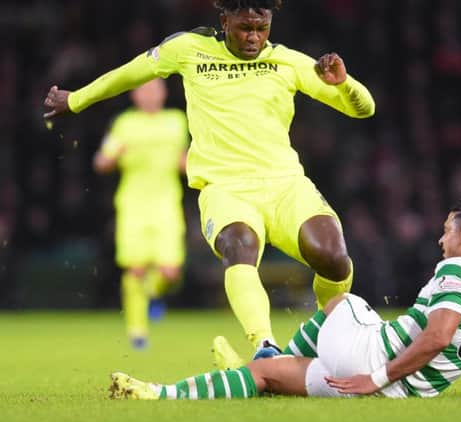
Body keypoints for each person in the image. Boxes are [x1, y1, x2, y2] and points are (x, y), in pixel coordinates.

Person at [43, 0, 375, 358]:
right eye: (244, 28)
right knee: (239, 245)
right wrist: (75, 100)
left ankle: (326, 335)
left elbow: (363, 109)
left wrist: (345, 84)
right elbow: (130, 73)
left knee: (333, 256)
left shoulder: (289, 61)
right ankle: (265, 346)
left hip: (285, 185)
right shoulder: (188, 49)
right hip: (225, 189)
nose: (253, 37)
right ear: (224, 20)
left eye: (261, 28)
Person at [108, 198, 461, 400]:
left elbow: (439, 337)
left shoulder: (460, 267)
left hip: (373, 365)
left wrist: (375, 376)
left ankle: (173, 386)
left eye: (446, 231)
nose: (440, 240)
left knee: (342, 301)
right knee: (266, 377)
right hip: (403, 395)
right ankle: (157, 394)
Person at [93, 78, 189, 349]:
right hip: (133, 204)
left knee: (170, 272)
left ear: (163, 93)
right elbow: (101, 161)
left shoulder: (176, 121)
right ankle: (137, 332)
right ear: (135, 95)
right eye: (144, 90)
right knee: (135, 269)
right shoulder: (124, 124)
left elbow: (183, 160)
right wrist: (111, 157)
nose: (149, 95)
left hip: (167, 203)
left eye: (154, 89)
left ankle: (150, 294)